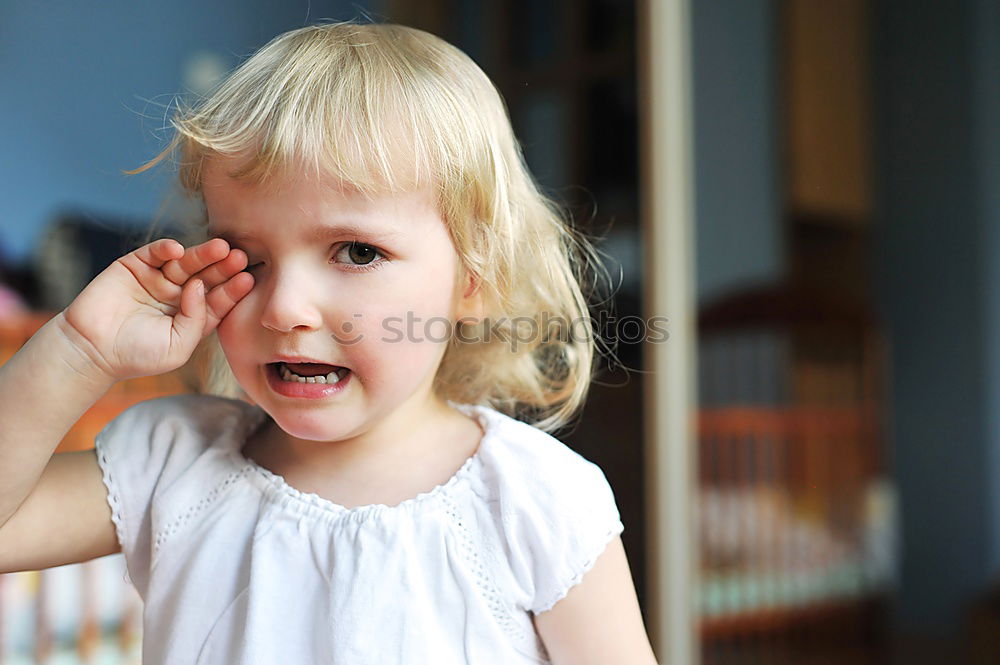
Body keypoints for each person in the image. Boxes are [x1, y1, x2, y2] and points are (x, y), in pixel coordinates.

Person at [0, 22, 658, 665]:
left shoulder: (538, 501)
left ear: (474, 279)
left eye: (357, 251)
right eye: (246, 257)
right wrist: (77, 349)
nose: (284, 306)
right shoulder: (172, 464)